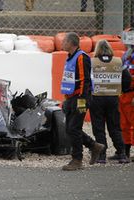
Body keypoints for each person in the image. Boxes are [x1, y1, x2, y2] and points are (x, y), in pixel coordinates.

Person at [61, 32, 105, 171]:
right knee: (70, 129)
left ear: (71, 43)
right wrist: (67, 99)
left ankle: (77, 159)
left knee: (73, 129)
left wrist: (81, 100)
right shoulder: (70, 58)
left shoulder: (81, 57)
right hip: (71, 97)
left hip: (80, 98)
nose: (62, 44)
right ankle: (93, 146)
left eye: (64, 41)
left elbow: (85, 80)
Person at [90, 40, 129, 164]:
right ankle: (122, 154)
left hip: (96, 98)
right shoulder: (118, 61)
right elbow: (127, 79)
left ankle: (102, 156)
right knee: (115, 127)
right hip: (113, 98)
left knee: (98, 128)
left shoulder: (92, 62)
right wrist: (122, 90)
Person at [118, 42, 134, 161]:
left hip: (132, 94)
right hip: (123, 93)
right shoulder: (125, 56)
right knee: (123, 124)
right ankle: (125, 152)